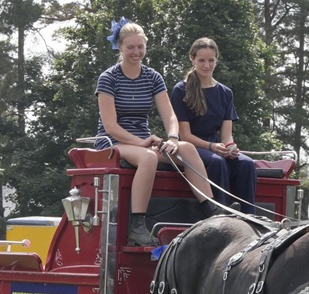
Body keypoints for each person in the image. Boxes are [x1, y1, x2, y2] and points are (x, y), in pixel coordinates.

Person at [94, 19, 221, 246]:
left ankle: (211, 212)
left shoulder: (153, 77)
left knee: (188, 149)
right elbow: (111, 126)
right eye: (131, 47)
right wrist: (142, 143)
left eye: (140, 47)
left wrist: (172, 138)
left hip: (143, 140)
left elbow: (170, 116)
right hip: (113, 143)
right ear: (120, 47)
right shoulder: (108, 78)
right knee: (149, 157)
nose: (136, 52)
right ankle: (137, 226)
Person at [170, 37, 257, 213]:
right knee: (217, 163)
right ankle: (220, 214)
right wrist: (212, 147)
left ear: (217, 59)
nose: (206, 65)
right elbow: (185, 135)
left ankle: (249, 217)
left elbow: (226, 134)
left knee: (246, 164)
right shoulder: (180, 90)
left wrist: (230, 147)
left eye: (211, 60)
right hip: (190, 147)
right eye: (201, 60)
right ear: (192, 59)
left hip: (216, 145)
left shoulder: (226, 93)